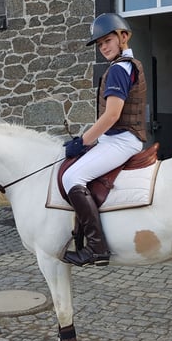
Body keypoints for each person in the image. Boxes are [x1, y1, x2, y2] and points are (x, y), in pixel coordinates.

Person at [61, 13, 148, 266]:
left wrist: (83, 141)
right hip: (116, 139)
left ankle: (97, 248)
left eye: (108, 40)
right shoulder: (125, 65)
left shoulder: (120, 69)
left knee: (71, 177)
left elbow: (111, 115)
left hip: (121, 141)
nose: (104, 47)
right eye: (99, 44)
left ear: (123, 37)